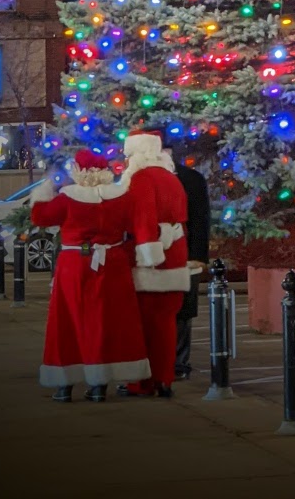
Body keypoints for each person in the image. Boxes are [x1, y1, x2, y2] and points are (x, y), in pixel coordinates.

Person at [30, 148, 150, 402]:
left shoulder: (67, 198)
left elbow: (40, 217)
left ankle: (64, 384)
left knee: (68, 320)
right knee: (107, 322)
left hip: (75, 263)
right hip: (113, 264)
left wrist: (44, 190)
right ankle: (99, 384)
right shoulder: (121, 197)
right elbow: (137, 226)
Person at [120, 129, 189, 397]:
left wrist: (148, 256)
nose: (125, 161)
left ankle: (142, 382)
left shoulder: (141, 178)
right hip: (175, 257)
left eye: (128, 155)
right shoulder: (171, 178)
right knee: (166, 324)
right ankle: (165, 378)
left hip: (153, 260)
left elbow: (144, 219)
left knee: (143, 326)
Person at [172, 142, 211, 380]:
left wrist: (197, 256)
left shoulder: (191, 179)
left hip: (186, 255)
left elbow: (200, 219)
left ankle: (179, 363)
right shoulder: (136, 177)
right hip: (151, 255)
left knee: (183, 311)